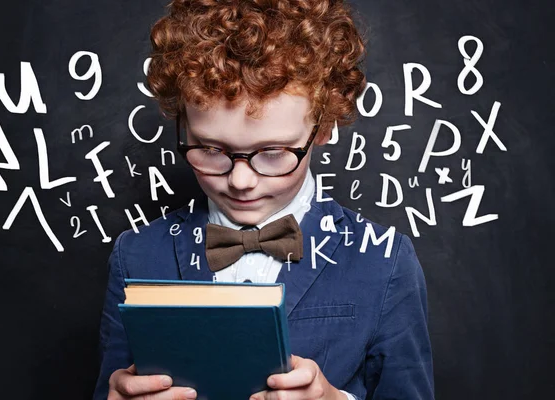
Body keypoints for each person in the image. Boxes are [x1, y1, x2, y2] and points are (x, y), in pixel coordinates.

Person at [93, 1, 434, 399]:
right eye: (211, 149)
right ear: (182, 125)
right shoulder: (134, 255)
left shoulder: (385, 260)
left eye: (273, 153)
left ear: (322, 128)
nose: (240, 181)